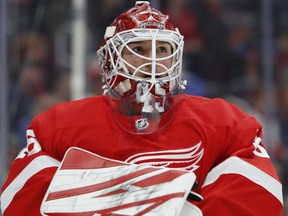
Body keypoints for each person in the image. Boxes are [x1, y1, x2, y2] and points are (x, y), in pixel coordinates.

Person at [1, 1, 283, 215]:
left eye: (162, 50)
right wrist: (170, 200)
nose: (153, 61)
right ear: (110, 60)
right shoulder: (59, 125)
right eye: (138, 49)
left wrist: (99, 193)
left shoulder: (224, 122)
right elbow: (17, 199)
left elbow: (263, 197)